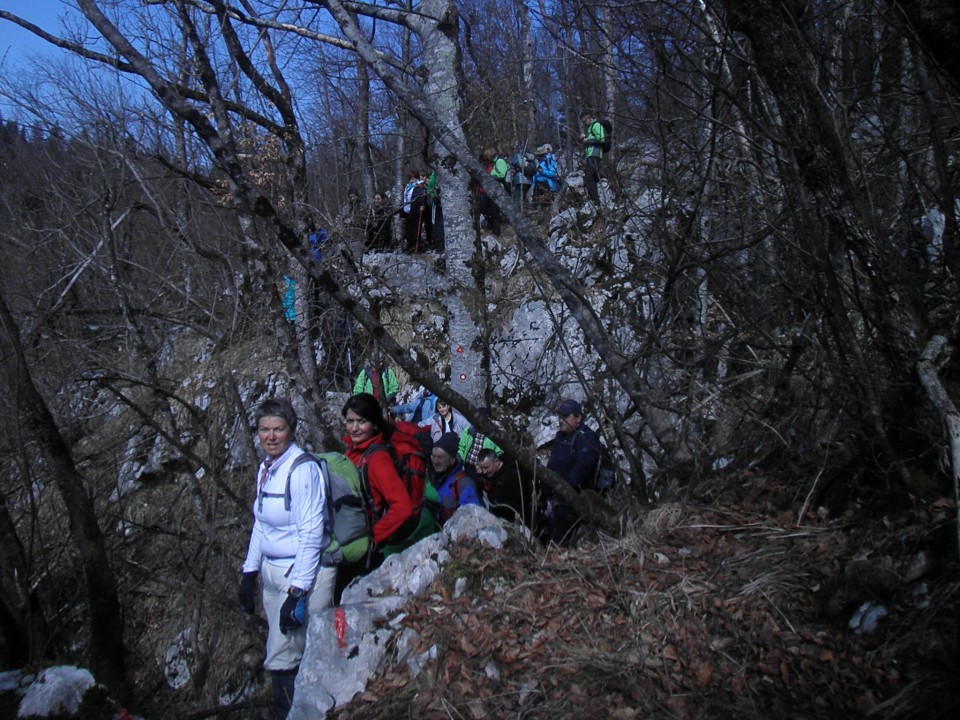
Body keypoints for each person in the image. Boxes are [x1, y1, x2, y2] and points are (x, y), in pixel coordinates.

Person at [238, 398, 336, 718]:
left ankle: (294, 714)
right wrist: (249, 572)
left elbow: (311, 534)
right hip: (273, 572)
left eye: (278, 429)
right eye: (264, 430)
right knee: (285, 651)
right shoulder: (267, 468)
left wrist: (297, 592)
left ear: (291, 430)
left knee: (286, 657)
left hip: (301, 573)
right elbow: (262, 523)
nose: (271, 436)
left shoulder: (302, 469)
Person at [341, 394, 437, 562]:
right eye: (350, 421)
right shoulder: (354, 453)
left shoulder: (377, 459)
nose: (354, 428)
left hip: (370, 546)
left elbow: (402, 507)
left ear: (375, 425)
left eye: (362, 421)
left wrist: (372, 539)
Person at [545, 398, 602, 545]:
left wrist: (563, 493)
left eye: (565, 416)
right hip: (556, 496)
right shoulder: (561, 437)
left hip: (575, 499)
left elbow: (580, 470)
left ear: (578, 418)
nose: (561, 420)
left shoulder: (586, 439)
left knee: (561, 536)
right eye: (560, 416)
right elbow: (553, 466)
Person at [429, 432, 481, 525]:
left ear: (452, 459)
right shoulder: (430, 478)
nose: (436, 461)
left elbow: (472, 517)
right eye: (433, 456)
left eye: (440, 457)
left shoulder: (464, 483)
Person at [475, 448, 534, 528]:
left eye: (486, 468)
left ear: (496, 461)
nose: (484, 472)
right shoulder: (492, 473)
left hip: (519, 521)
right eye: (482, 468)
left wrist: (494, 500)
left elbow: (517, 505)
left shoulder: (512, 476)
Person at [457, 407, 501, 475]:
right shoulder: (469, 431)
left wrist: (484, 466)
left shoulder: (494, 435)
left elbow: (499, 453)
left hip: (484, 468)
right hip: (467, 465)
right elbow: (461, 448)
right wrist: (460, 463)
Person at [580, 113, 605, 206]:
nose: (585, 123)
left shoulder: (596, 125)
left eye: (585, 120)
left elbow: (601, 139)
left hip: (595, 154)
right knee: (593, 176)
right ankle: (597, 198)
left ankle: (596, 201)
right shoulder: (590, 127)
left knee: (589, 177)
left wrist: (588, 140)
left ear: (589, 118)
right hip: (591, 154)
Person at [401, 170, 428, 252]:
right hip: (407, 211)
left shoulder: (420, 187)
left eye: (413, 179)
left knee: (415, 230)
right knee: (408, 230)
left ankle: (417, 246)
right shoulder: (408, 187)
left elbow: (423, 197)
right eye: (410, 179)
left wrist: (422, 205)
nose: (411, 181)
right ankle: (410, 246)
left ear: (416, 179)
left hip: (416, 211)